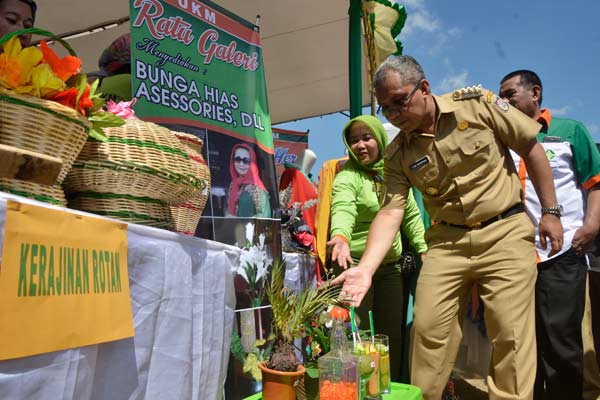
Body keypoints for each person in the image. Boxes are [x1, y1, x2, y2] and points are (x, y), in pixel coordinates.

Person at [332, 55, 563, 400]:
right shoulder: (397, 154)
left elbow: (530, 147)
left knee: (510, 334)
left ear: (424, 88)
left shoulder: (479, 106)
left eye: (399, 102)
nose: (394, 115)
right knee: (427, 331)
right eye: (386, 109)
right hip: (446, 243)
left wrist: (550, 211)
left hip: (504, 232)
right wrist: (365, 269)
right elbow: (391, 212)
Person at [499, 70, 600, 400]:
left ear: (535, 94)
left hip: (563, 252)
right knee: (526, 342)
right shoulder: (504, 139)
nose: (505, 101)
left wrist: (590, 228)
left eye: (510, 94)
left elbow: (594, 183)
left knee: (561, 340)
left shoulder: (570, 131)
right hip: (517, 257)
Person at [327, 114, 427, 382]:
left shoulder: (394, 173)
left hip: (390, 268)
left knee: (389, 337)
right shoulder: (348, 176)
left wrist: (423, 248)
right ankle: (355, 389)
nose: (360, 145)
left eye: (366, 137)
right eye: (354, 140)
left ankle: (387, 388)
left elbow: (410, 215)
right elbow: (343, 208)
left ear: (380, 140)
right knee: (356, 335)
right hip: (353, 267)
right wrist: (340, 236)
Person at [226, 143, 271, 218]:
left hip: (250, 228)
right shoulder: (233, 185)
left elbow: (265, 215)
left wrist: (242, 221)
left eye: (246, 160)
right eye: (237, 159)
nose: (241, 164)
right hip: (233, 228)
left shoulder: (257, 187)